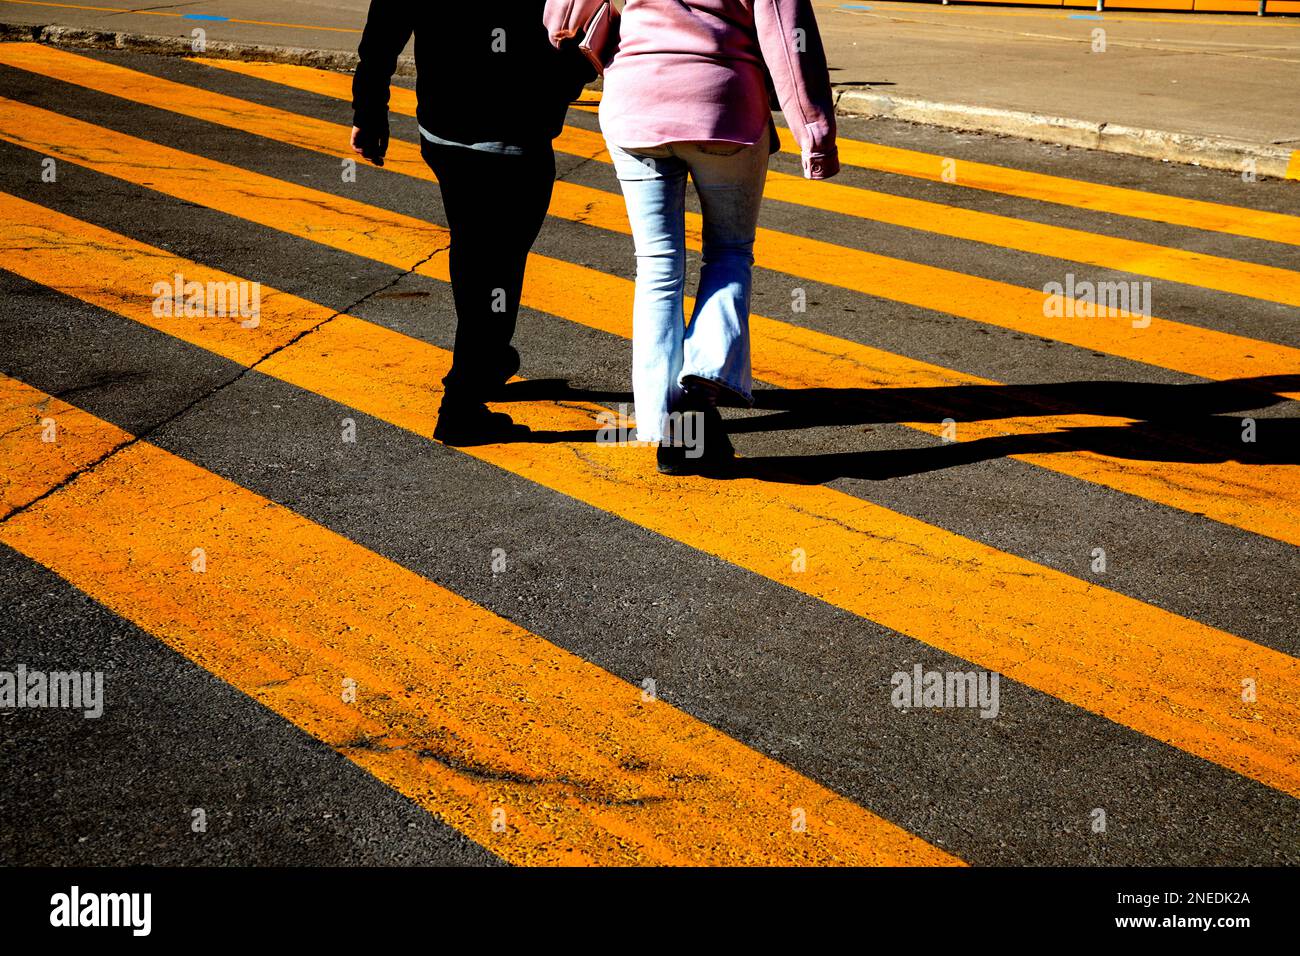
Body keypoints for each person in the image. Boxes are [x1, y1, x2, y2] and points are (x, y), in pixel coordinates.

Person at [599, 0, 839, 474]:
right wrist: (815, 137)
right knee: (729, 252)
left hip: (635, 100)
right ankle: (702, 385)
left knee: (657, 264)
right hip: (724, 105)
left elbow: (560, 17)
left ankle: (667, 423)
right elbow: (791, 41)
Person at [350, 2, 595, 445]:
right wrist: (577, 71)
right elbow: (554, 42)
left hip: (443, 129)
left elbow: (385, 28)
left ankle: (490, 361)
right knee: (495, 267)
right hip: (512, 134)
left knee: (475, 249)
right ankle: (462, 402)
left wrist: (369, 110)